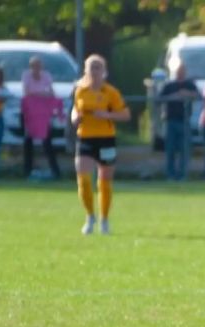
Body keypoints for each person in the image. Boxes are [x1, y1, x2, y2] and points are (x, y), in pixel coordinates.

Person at [71, 54, 130, 235]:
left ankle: (104, 219)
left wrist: (107, 115)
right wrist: (75, 118)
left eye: (98, 67)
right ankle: (90, 216)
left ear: (104, 71)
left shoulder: (110, 92)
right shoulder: (80, 90)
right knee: (83, 177)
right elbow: (75, 109)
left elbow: (125, 115)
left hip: (105, 138)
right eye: (92, 67)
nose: (95, 71)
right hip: (85, 137)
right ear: (86, 70)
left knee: (104, 180)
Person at [21, 56, 61, 180]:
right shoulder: (26, 76)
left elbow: (51, 94)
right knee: (28, 141)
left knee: (47, 142)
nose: (36, 68)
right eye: (34, 66)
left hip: (42, 114)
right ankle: (27, 171)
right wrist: (41, 95)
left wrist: (37, 95)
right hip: (29, 113)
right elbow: (27, 93)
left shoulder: (46, 76)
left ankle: (55, 171)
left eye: (38, 65)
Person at [160, 63, 199, 181]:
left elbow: (198, 96)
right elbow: (159, 98)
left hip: (184, 121)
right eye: (178, 71)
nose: (180, 73)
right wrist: (174, 96)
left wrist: (187, 94)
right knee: (170, 149)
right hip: (171, 120)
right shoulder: (169, 85)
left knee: (184, 149)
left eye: (182, 70)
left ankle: (182, 174)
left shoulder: (190, 85)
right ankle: (170, 175)